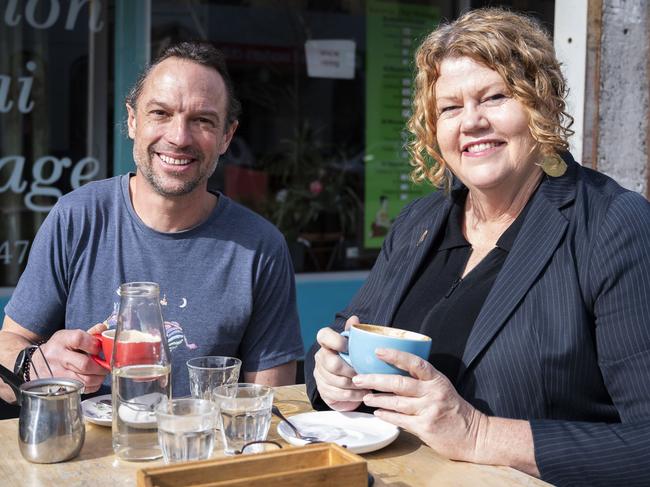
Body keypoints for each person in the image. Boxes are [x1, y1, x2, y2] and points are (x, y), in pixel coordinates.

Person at [305, 8, 650, 487]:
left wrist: (477, 432)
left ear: (541, 104)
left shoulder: (612, 224)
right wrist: (332, 376)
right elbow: (344, 333)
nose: (471, 122)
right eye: (449, 108)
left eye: (495, 97)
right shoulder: (419, 222)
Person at [0, 41, 304, 403]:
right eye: (160, 113)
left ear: (227, 136)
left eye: (202, 120)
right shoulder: (77, 217)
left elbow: (274, 403)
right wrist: (35, 363)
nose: (178, 137)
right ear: (132, 120)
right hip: (86, 453)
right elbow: (8, 347)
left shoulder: (259, 247)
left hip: (201, 455)